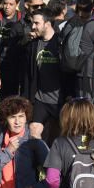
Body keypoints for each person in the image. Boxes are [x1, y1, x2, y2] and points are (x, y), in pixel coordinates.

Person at [27, 8, 62, 141]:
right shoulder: (34, 44)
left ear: (47, 24)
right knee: (33, 131)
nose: (33, 26)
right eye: (32, 23)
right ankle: (37, 160)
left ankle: (50, 160)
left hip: (59, 100)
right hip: (40, 99)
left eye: (36, 23)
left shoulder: (60, 42)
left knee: (56, 136)